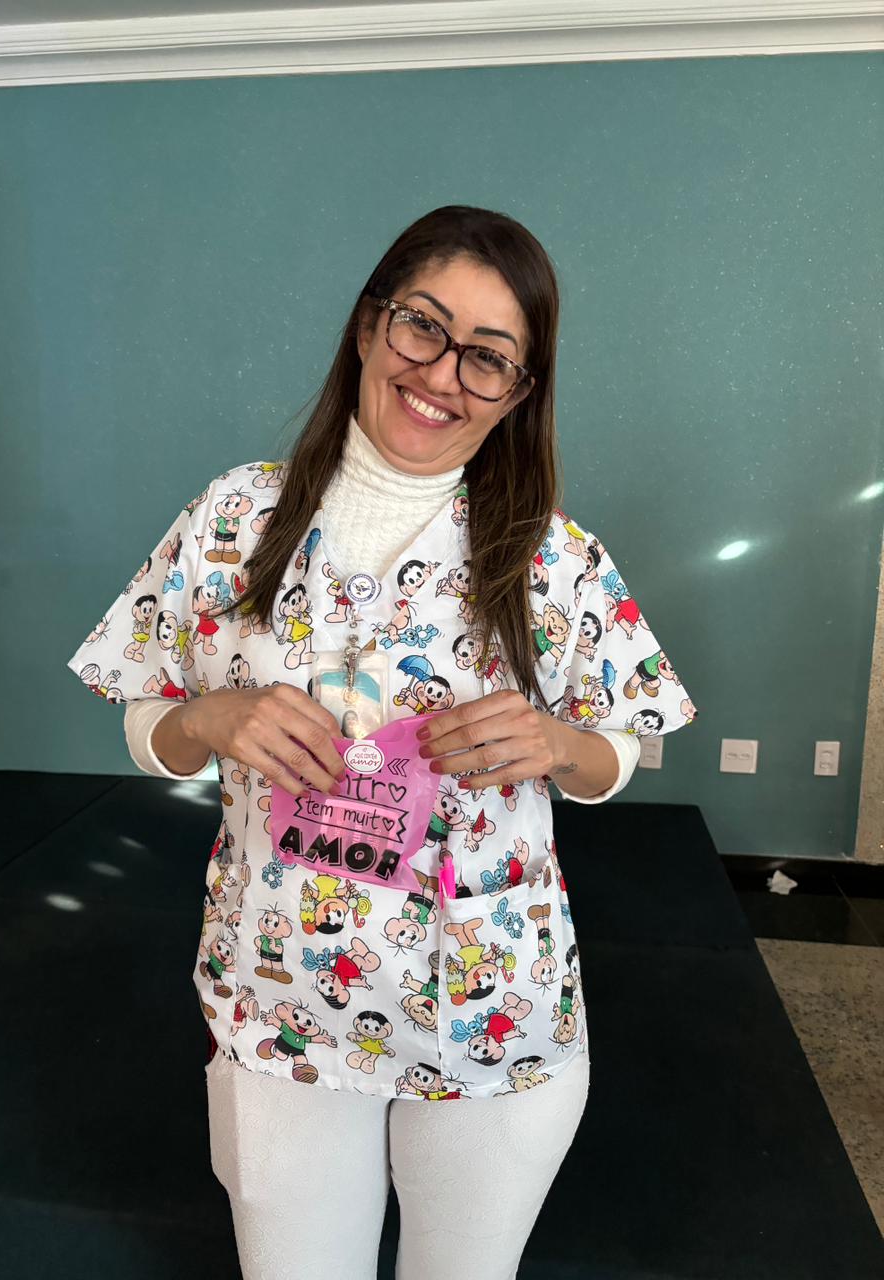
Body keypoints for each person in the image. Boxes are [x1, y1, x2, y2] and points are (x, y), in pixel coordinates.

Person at [67, 205, 699, 1279]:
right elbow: (146, 716)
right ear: (369, 326)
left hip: (490, 1007)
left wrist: (555, 742)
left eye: (489, 356)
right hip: (283, 1000)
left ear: (519, 392)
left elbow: (621, 750)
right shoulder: (233, 521)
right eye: (423, 326)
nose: (443, 373)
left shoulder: (552, 558)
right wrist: (209, 721)